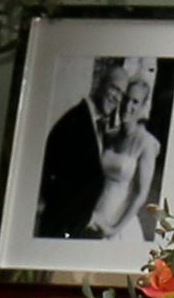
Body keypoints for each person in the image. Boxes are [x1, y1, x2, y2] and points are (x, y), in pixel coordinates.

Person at [31, 54, 164, 241]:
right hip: (88, 218)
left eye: (135, 101)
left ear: (143, 106)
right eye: (123, 96)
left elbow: (140, 194)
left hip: (115, 223)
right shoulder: (107, 134)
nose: (125, 104)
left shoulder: (146, 143)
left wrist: (114, 228)